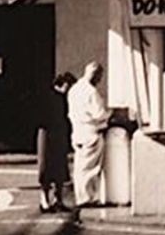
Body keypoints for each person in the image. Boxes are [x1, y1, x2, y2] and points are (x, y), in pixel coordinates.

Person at [67, 60, 111, 207]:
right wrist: (110, 113)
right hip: (91, 133)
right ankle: (88, 198)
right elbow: (99, 114)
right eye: (100, 76)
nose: (100, 80)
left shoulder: (74, 90)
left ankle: (80, 197)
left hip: (77, 133)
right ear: (95, 75)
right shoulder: (91, 92)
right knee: (90, 168)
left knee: (80, 166)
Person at [37, 71, 74, 212]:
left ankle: (58, 199)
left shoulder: (61, 98)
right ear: (64, 84)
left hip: (57, 134)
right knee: (46, 167)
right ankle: (45, 200)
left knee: (59, 168)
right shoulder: (49, 97)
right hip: (48, 134)